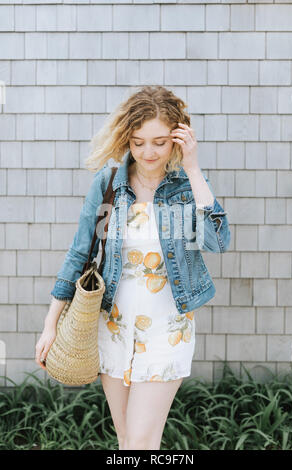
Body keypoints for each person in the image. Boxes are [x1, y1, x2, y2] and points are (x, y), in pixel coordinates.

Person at [35, 85, 230, 450]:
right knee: (128, 441)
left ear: (177, 137)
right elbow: (79, 253)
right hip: (112, 329)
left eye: (159, 141)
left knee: (140, 442)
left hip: (167, 331)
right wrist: (50, 325)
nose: (148, 152)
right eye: (138, 142)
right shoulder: (109, 185)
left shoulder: (187, 188)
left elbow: (217, 242)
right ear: (127, 139)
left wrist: (193, 167)